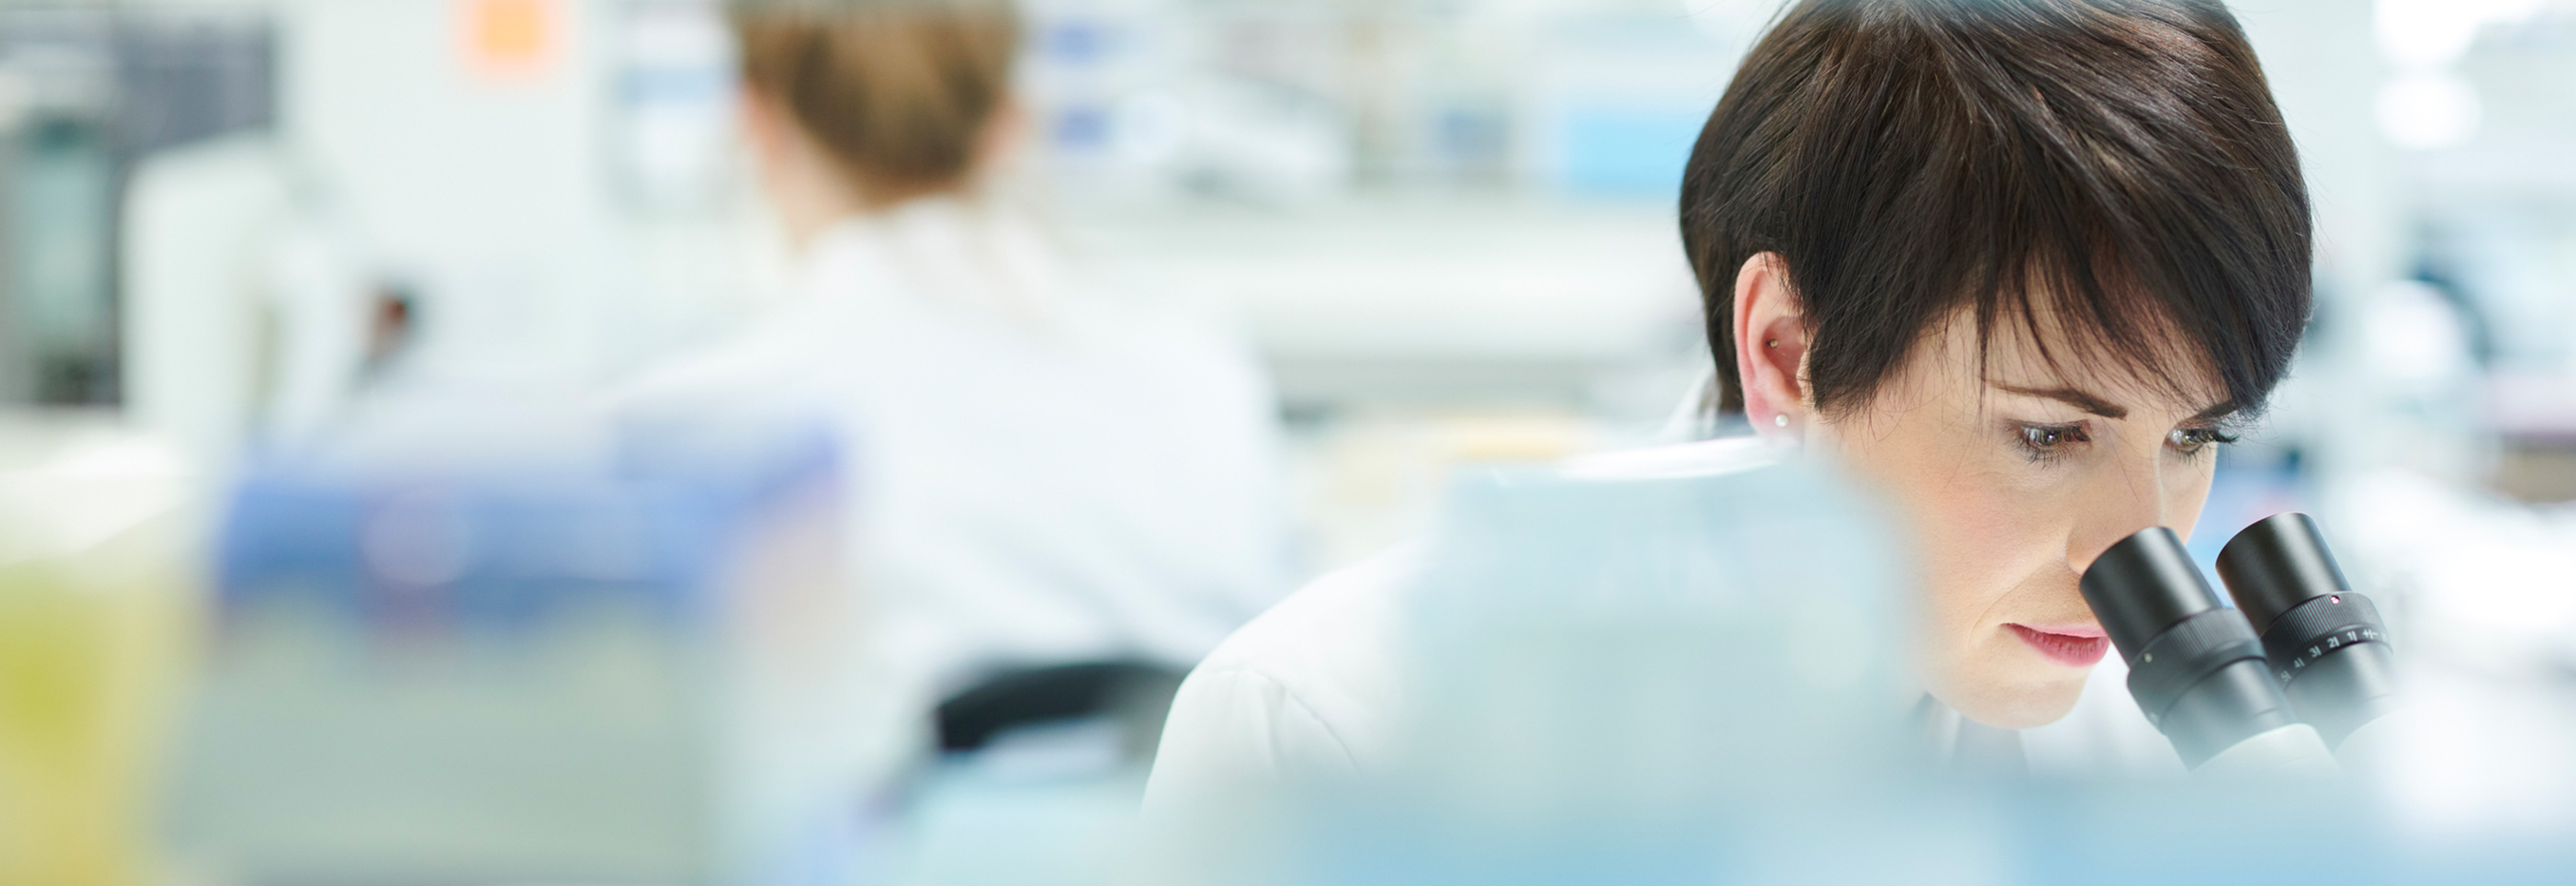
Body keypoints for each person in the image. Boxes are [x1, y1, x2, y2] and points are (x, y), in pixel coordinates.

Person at [1147, 0, 2311, 801]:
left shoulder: (2155, 769)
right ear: (1787, 352)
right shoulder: (1335, 734)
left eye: (2197, 433)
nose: (2144, 547)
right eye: (2048, 433)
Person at [616, 0, 1294, 778]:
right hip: (1199, 878)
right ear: (1008, 123)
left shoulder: (696, 427)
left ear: (754, 122)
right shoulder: (1196, 366)